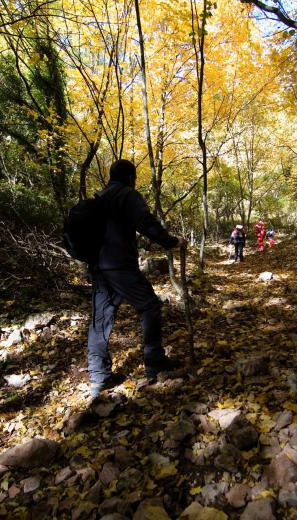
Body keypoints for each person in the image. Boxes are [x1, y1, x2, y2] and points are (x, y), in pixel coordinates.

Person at [87, 159, 187, 397]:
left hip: (99, 268)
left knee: (100, 321)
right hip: (121, 265)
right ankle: (154, 362)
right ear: (130, 177)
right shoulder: (127, 195)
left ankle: (99, 377)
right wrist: (171, 242)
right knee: (150, 306)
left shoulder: (99, 198)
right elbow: (146, 223)